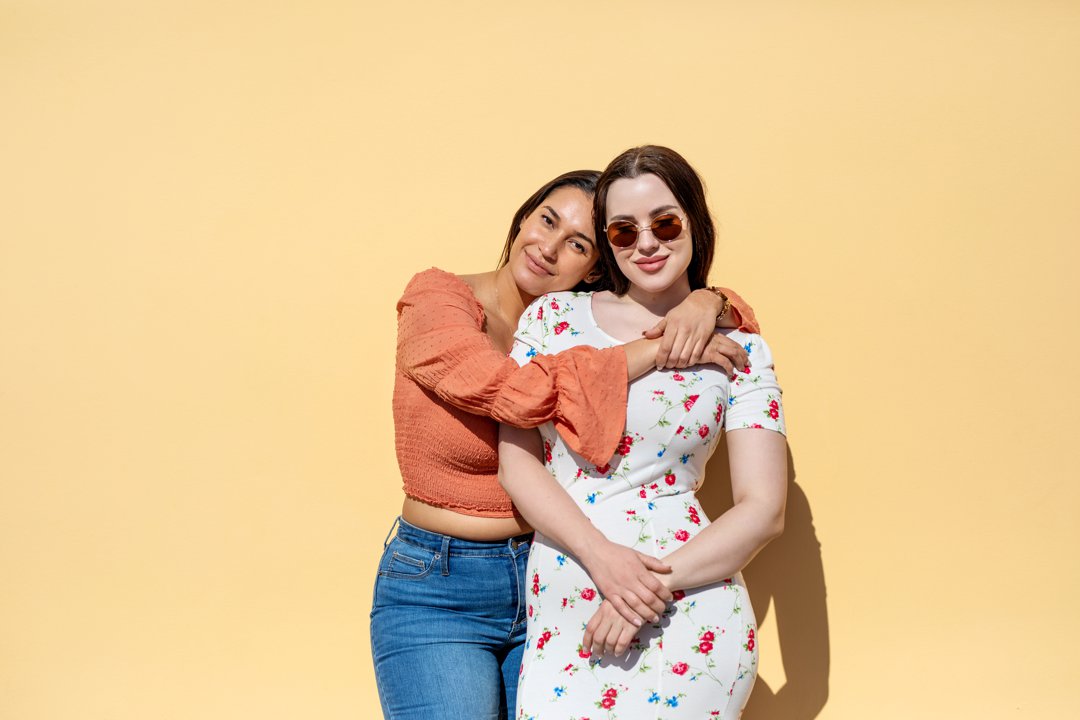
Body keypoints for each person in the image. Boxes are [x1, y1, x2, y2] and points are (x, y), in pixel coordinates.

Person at [370, 169, 762, 720]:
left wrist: (709, 302)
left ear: (597, 264)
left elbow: (729, 319)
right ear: (523, 217)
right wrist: (655, 351)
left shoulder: (566, 326)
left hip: (550, 575)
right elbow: (516, 392)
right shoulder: (437, 299)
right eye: (546, 221)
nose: (549, 248)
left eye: (578, 243)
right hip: (440, 586)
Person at [499, 146, 788, 719]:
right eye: (624, 232)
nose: (647, 244)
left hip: (690, 606)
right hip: (569, 595)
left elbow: (764, 509)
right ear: (608, 242)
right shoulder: (552, 321)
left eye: (664, 222)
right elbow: (518, 463)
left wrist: (646, 591)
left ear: (694, 223)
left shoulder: (741, 347)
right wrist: (604, 560)